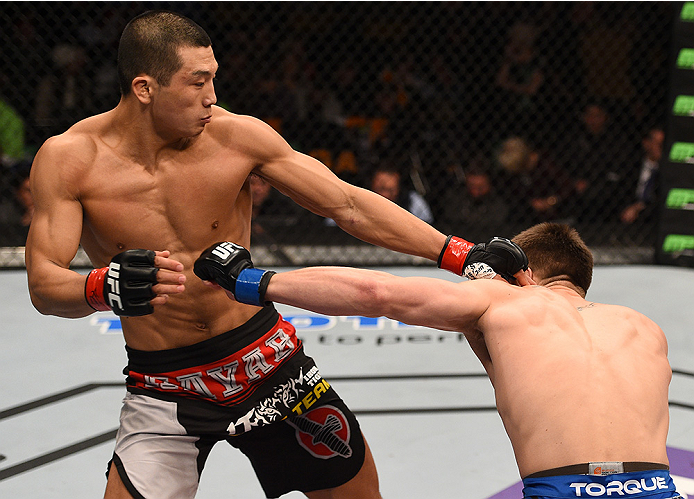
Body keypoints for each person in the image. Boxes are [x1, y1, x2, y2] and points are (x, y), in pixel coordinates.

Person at [24, 10, 529, 499]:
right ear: (144, 88)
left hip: (267, 363)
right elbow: (44, 285)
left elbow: (347, 204)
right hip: (163, 384)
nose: (212, 97)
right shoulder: (71, 159)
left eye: (213, 79)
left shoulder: (236, 137)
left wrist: (461, 255)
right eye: (196, 82)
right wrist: (100, 287)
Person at [200, 223, 681, 499]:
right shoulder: (644, 328)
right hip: (657, 488)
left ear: (525, 273)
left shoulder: (508, 304)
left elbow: (377, 292)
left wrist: (250, 281)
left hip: (565, 489)